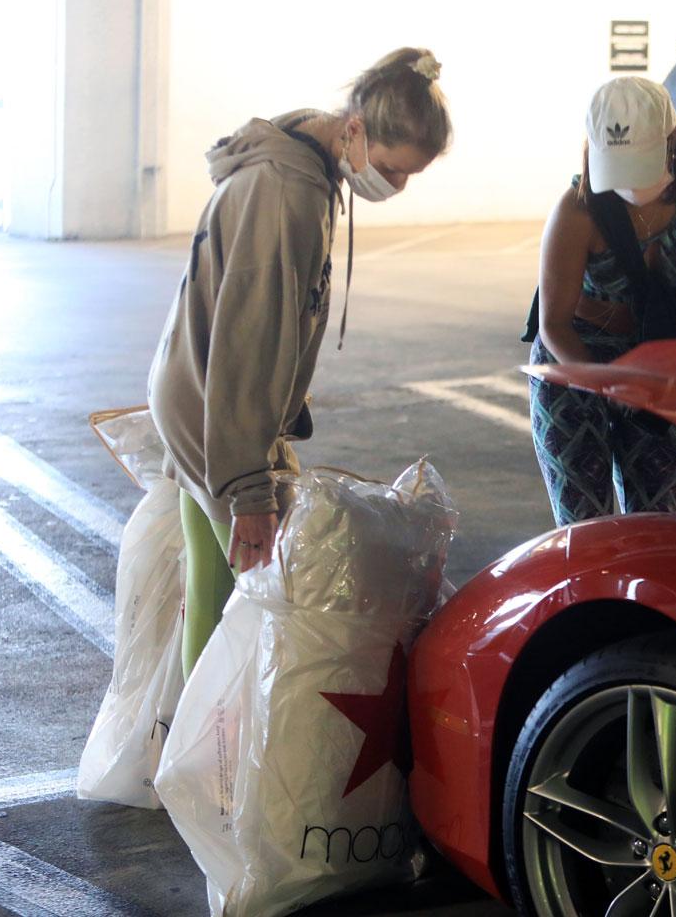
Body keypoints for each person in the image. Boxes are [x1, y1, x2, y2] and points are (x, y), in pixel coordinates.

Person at [147, 48, 452, 679]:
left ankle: (191, 753)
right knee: (247, 604)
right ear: (356, 130)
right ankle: (213, 761)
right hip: (213, 410)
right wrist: (249, 489)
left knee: (213, 583)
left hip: (197, 396)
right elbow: (249, 347)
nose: (396, 188)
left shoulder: (304, 149)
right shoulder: (288, 195)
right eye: (395, 171)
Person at [528, 76, 676, 525]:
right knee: (585, 527)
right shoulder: (576, 210)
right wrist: (606, 383)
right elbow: (552, 325)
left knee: (660, 515)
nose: (629, 183)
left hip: (658, 359)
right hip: (575, 362)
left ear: (671, 141)